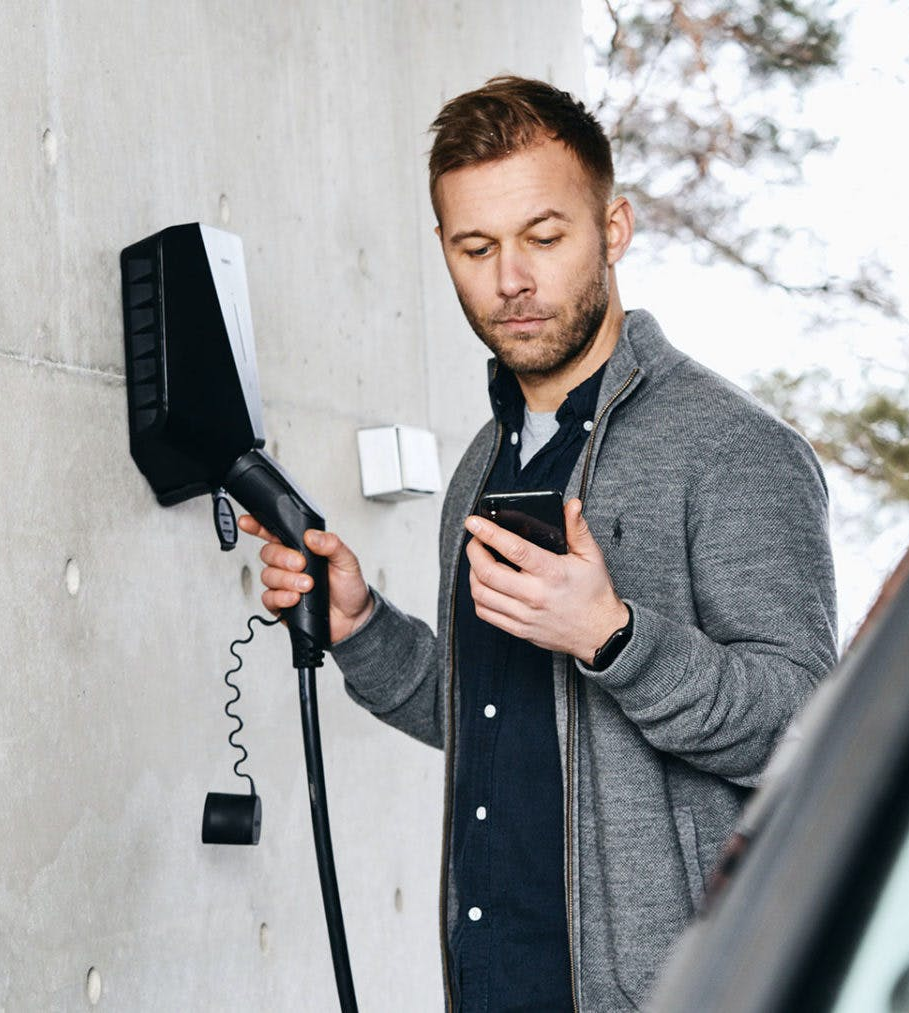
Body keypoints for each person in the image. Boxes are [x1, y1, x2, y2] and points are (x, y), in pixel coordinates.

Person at [240, 75, 837, 1012]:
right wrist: (360, 628)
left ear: (615, 228)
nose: (510, 279)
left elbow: (807, 731)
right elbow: (487, 720)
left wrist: (616, 638)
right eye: (476, 247)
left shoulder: (733, 448)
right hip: (491, 986)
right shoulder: (484, 464)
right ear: (443, 249)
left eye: (544, 237)